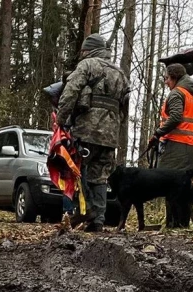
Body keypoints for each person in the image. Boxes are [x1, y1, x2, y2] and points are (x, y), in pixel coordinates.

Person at [57, 34, 130, 232]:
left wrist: (60, 120)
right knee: (99, 178)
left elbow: (70, 91)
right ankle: (98, 220)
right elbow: (124, 108)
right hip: (110, 136)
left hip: (86, 131)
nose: (81, 54)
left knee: (76, 171)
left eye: (83, 50)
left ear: (88, 50)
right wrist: (116, 130)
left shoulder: (87, 65)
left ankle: (84, 212)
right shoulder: (121, 73)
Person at [149, 63, 193, 228]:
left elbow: (176, 117)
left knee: (169, 183)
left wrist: (158, 133)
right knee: (185, 185)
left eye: (166, 78)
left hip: (178, 146)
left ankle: (174, 224)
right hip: (192, 147)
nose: (165, 82)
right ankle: (182, 223)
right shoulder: (191, 95)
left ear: (174, 78)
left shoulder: (177, 93)